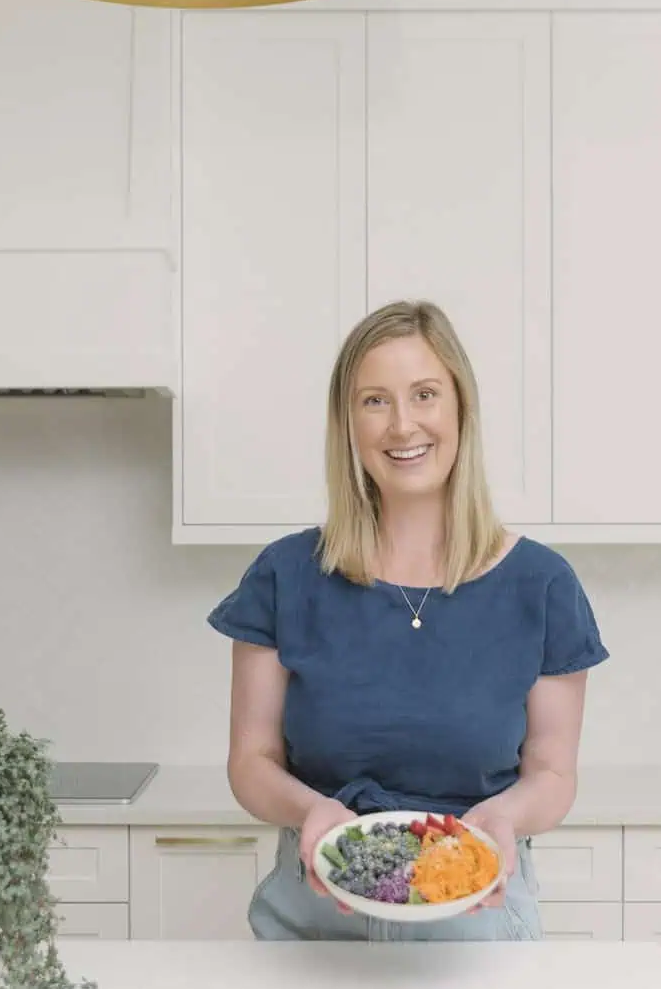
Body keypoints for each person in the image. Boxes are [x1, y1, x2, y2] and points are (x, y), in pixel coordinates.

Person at [207, 299, 609, 941]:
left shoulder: (542, 586)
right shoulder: (285, 576)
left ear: (460, 409)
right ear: (348, 422)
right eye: (375, 401)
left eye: (424, 394)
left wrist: (503, 818)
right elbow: (251, 761)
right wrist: (312, 810)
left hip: (476, 923)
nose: (402, 425)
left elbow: (553, 775)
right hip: (312, 919)